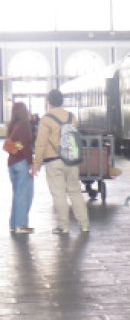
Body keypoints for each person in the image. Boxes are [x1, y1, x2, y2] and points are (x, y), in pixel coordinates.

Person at [30, 89, 90, 234]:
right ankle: (84, 224)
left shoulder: (46, 119)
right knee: (75, 192)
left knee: (59, 194)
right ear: (62, 101)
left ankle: (63, 226)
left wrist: (36, 165)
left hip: (53, 161)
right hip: (71, 159)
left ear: (49, 102)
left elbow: (41, 144)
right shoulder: (71, 117)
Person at [6, 102, 35, 234]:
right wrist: (31, 163)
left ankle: (14, 224)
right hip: (22, 163)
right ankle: (21, 225)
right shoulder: (24, 126)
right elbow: (25, 147)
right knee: (24, 195)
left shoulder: (12, 126)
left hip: (12, 163)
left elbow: (10, 145)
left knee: (18, 195)